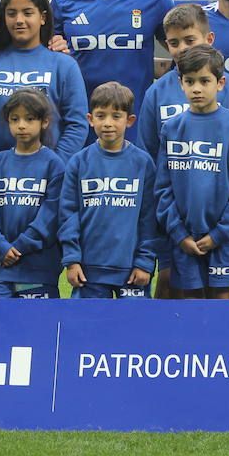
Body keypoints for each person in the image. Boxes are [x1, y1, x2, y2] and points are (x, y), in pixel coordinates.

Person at [139, 6, 229, 297]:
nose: (181, 49)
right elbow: (154, 161)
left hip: (221, 228)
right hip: (174, 224)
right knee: (171, 291)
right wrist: (172, 226)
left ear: (209, 38)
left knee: (221, 302)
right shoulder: (156, 93)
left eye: (189, 40)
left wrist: (226, 230)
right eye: (173, 43)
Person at [61, 82, 160, 299]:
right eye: (101, 115)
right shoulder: (78, 163)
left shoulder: (143, 164)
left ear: (130, 120)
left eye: (116, 116)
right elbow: (69, 215)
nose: (107, 123)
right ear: (90, 119)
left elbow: (149, 219)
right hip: (88, 271)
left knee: (134, 330)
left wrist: (145, 262)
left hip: (132, 271)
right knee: (87, 329)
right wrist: (72, 260)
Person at [0, 0, 87, 157]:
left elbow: (77, 124)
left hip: (49, 176)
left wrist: (56, 165)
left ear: (42, 17)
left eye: (27, 13)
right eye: (11, 14)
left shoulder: (64, 65)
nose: (19, 20)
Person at [0, 89, 65, 299]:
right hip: (0, 266)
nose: (21, 125)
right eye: (15, 119)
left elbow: (51, 215)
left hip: (37, 267)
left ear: (44, 122)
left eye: (29, 119)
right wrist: (0, 245)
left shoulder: (54, 165)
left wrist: (21, 246)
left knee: (35, 328)